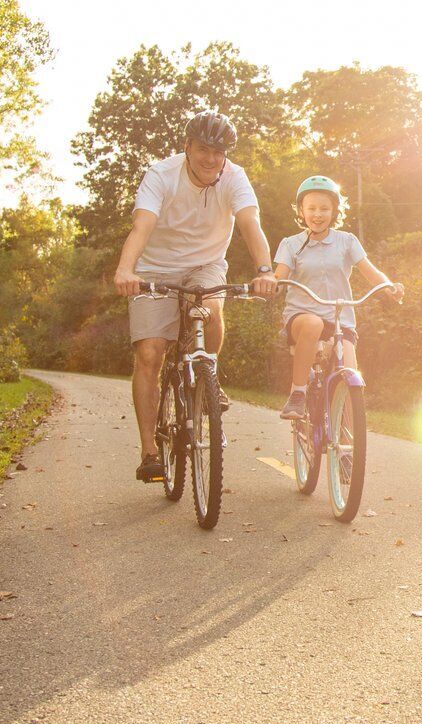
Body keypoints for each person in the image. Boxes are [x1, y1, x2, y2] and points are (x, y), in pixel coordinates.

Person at [114, 110, 277, 482]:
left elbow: (251, 224)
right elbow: (143, 225)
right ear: (187, 147)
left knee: (210, 312)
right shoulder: (161, 175)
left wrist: (265, 270)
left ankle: (206, 379)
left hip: (205, 265)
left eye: (219, 152)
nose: (211, 159)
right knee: (150, 352)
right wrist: (127, 270)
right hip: (154, 268)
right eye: (204, 149)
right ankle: (150, 451)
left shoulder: (235, 178)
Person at [274, 175, 404, 419]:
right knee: (313, 324)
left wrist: (388, 287)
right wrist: (270, 285)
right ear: (301, 211)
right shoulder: (291, 244)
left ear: (334, 211)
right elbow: (279, 277)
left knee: (349, 375)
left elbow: (370, 272)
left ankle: (346, 449)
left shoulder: (346, 241)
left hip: (339, 319)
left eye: (324, 208)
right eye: (311, 208)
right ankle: (298, 393)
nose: (318, 214)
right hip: (302, 316)